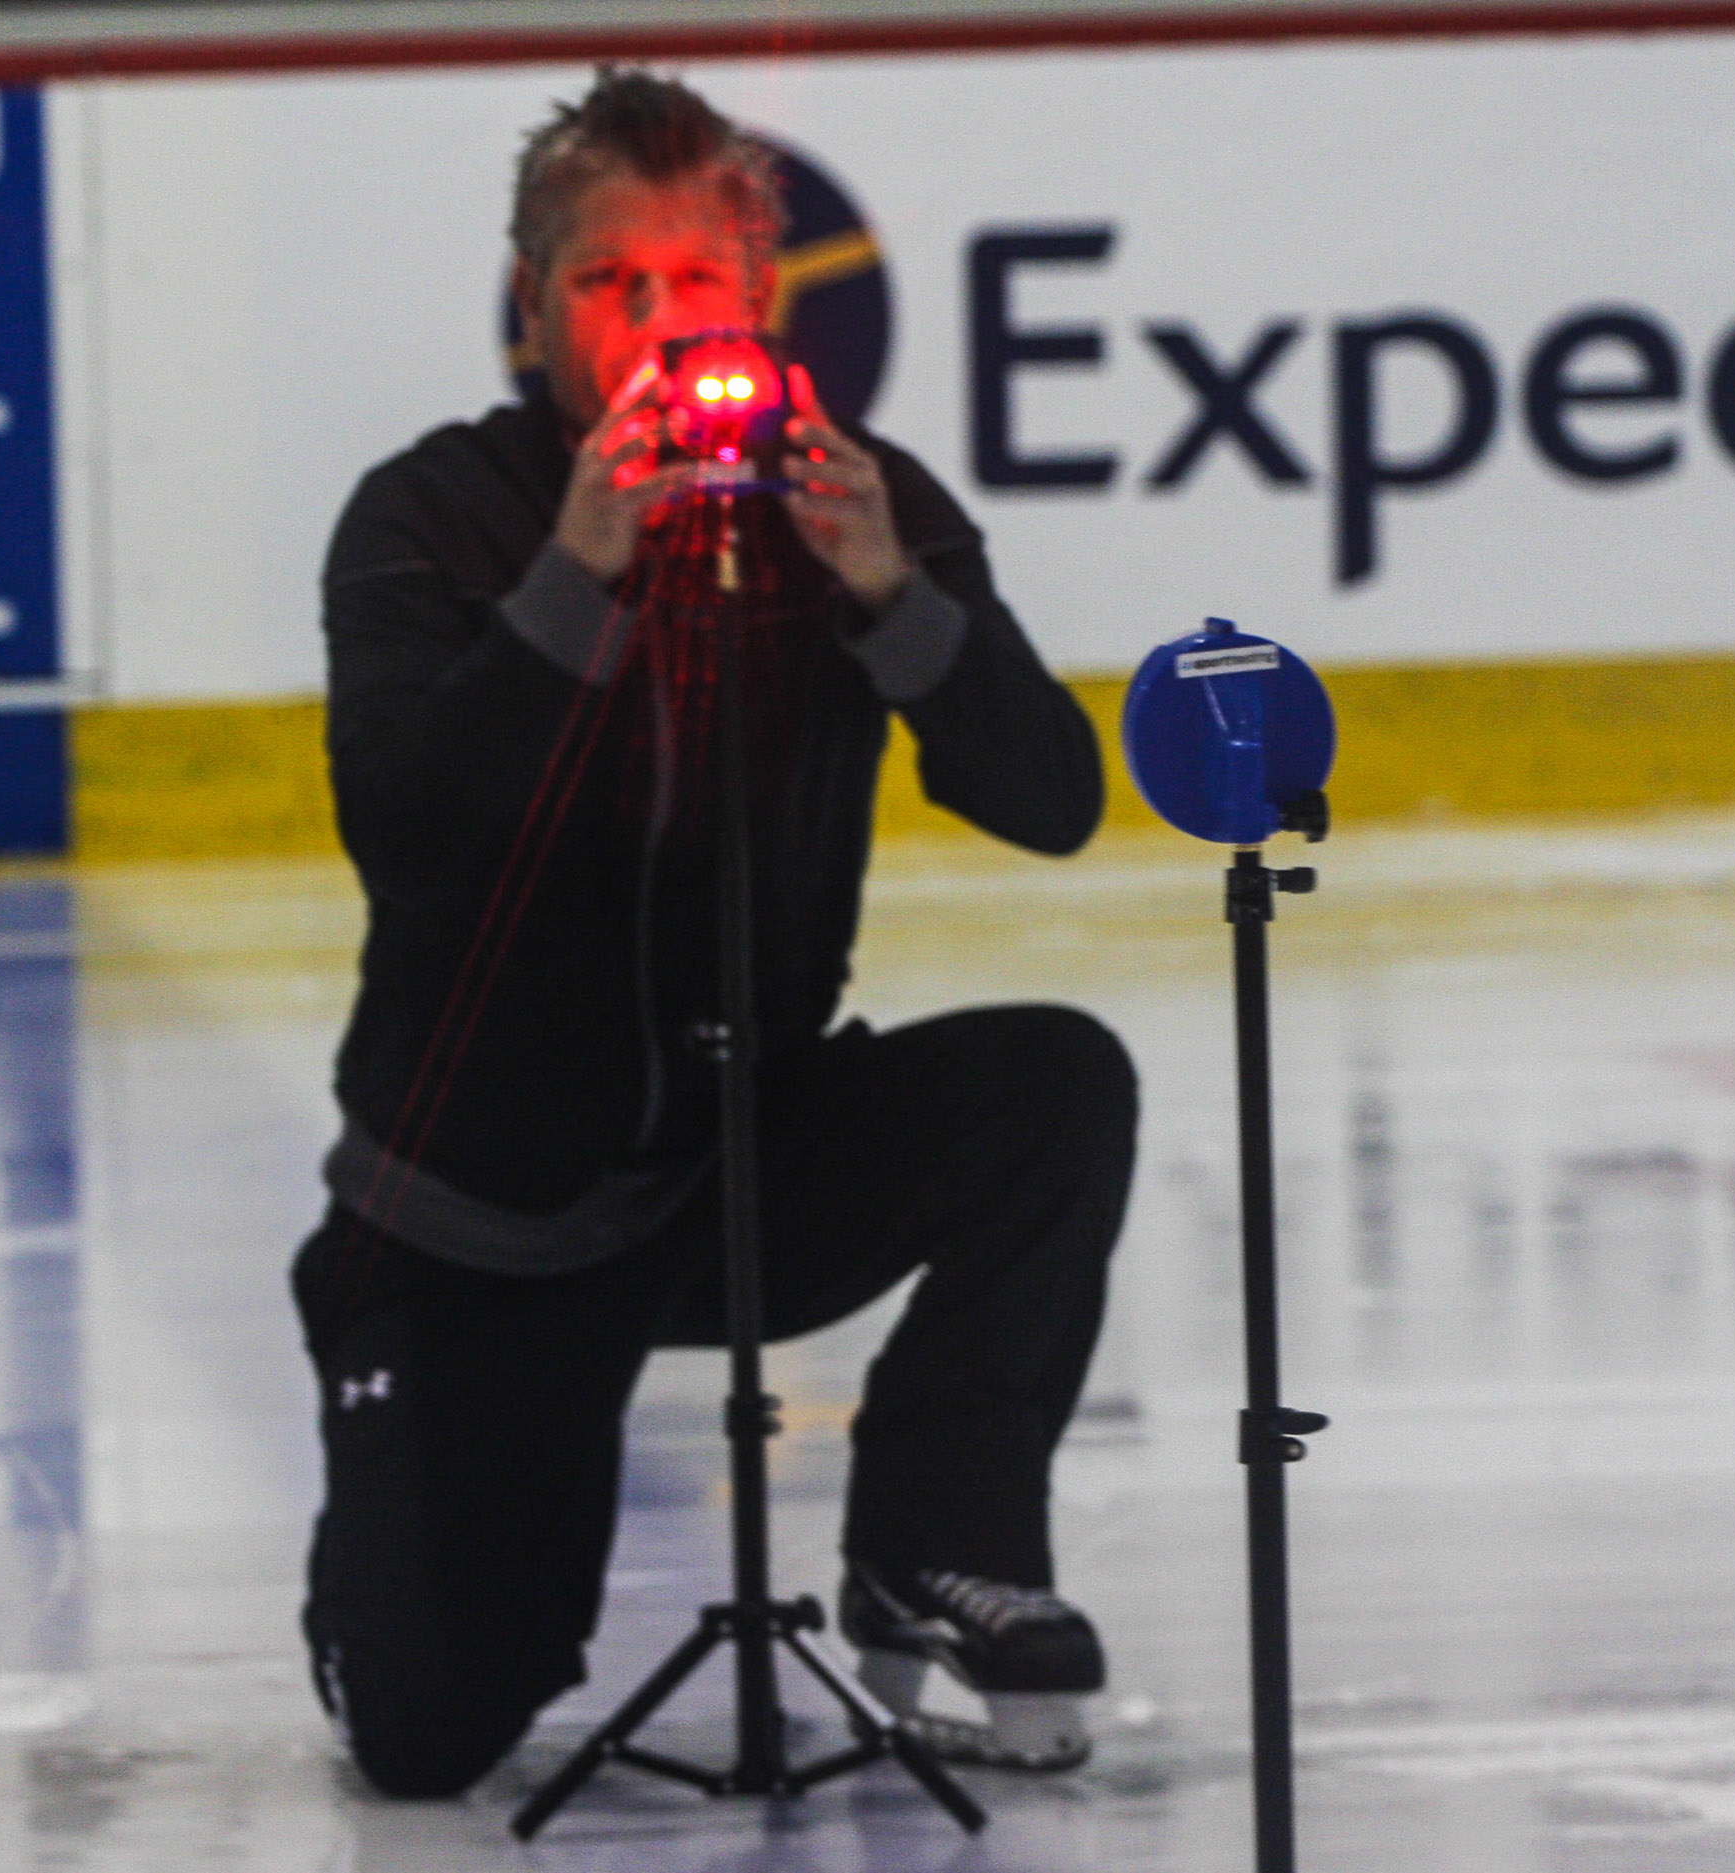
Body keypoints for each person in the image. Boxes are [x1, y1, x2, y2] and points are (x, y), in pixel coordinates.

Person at [292, 66, 1137, 1800]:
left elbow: (1053, 795)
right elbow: (412, 834)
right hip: (485, 1227)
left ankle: (937, 1541)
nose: (661, 327)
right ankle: (379, 1559)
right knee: (433, 1736)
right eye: (612, 284)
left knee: (1056, 1083)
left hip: (740, 1170)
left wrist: (898, 600)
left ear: (758, 305)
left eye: (696, 287)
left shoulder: (859, 499)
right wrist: (575, 582)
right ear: (535, 310)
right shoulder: (429, 520)